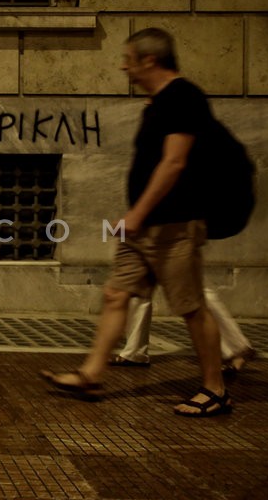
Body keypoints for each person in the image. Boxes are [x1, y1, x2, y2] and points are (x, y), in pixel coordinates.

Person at [41, 27, 231, 417]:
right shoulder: (157, 103)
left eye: (128, 59)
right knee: (116, 295)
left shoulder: (183, 97)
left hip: (173, 225)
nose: (123, 66)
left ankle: (215, 389)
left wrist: (139, 212)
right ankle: (91, 374)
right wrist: (134, 218)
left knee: (191, 307)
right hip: (142, 227)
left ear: (149, 60)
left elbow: (174, 161)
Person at [110, 289, 256, 372]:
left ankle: (236, 348)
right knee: (137, 289)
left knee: (190, 286)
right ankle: (134, 352)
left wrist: (117, 233)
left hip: (164, 238)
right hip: (146, 239)